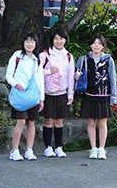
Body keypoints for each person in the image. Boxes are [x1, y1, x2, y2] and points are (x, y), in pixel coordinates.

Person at [75, 34, 117, 160]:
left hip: (104, 95)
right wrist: (76, 76)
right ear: (90, 45)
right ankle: (93, 148)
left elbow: (112, 79)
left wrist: (113, 98)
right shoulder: (84, 59)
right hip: (88, 95)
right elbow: (77, 75)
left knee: (103, 123)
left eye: (99, 43)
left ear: (103, 46)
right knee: (91, 123)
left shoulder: (108, 60)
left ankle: (102, 149)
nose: (96, 45)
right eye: (94, 43)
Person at [5, 32, 45, 161]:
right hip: (19, 94)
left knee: (31, 123)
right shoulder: (17, 56)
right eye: (27, 41)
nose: (29, 44)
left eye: (32, 41)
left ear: (36, 44)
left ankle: (29, 150)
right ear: (23, 43)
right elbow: (8, 75)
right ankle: (14, 150)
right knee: (21, 121)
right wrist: (16, 85)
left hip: (33, 96)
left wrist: (41, 98)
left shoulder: (37, 59)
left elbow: (40, 79)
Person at [39, 26, 74, 158]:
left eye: (61, 38)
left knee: (59, 121)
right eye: (56, 38)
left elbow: (71, 77)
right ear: (52, 40)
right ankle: (47, 147)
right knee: (48, 121)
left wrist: (70, 94)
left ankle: (59, 147)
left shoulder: (69, 56)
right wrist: (49, 71)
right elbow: (36, 73)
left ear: (65, 40)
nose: (59, 41)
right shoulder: (44, 54)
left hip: (62, 93)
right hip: (48, 93)